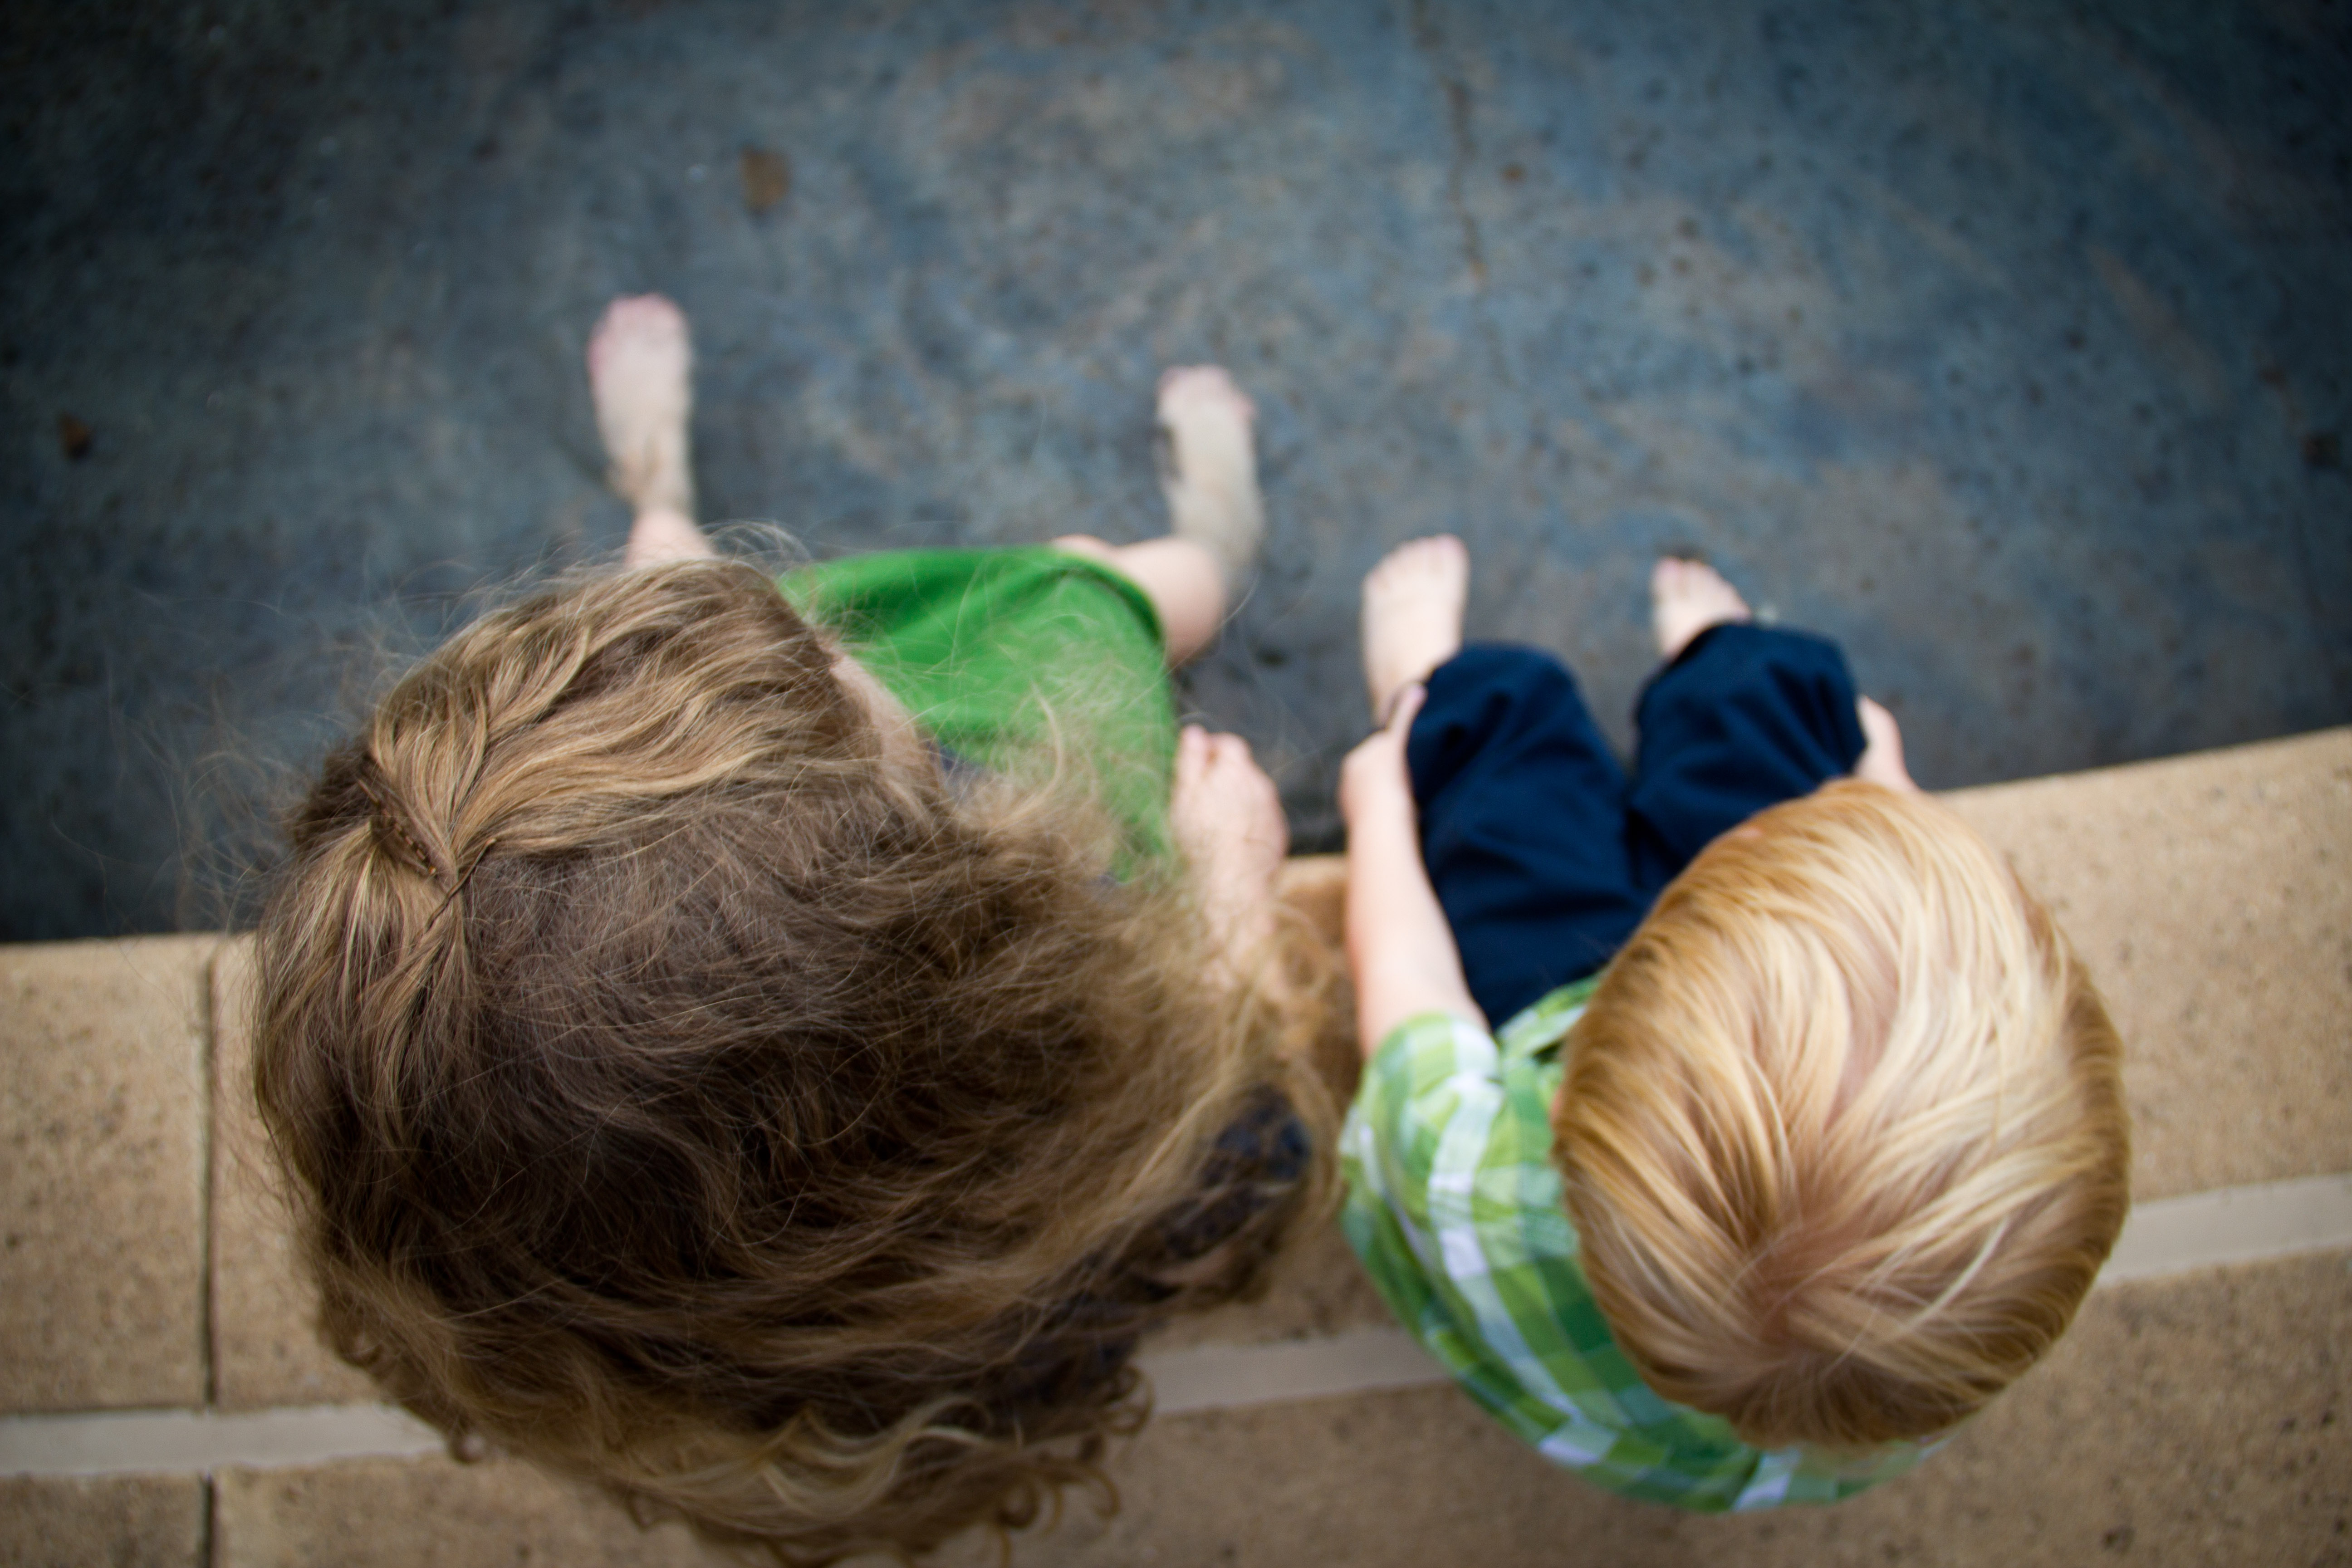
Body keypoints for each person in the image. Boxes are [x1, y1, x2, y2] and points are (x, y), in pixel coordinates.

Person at [251, 294, 1334, 1562]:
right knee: (1107, 597)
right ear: (970, 998)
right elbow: (1250, 1154)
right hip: (885, 873)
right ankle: (1208, 552)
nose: (832, 633)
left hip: (777, 836)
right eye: (918, 758)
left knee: (683, 587)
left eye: (808, 645)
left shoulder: (576, 1321)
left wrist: (723, 647)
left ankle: (659, 516)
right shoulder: (1115, 1150)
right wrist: (1229, 894)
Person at [1337, 535, 2129, 1509]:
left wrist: (1381, 807)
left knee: (1500, 739)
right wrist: (1882, 788)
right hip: (1676, 1031)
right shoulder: (1942, 1355)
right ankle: (1719, 651)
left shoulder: (1479, 1187)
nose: (1754, 833)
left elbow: (1409, 983)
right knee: (1778, 707)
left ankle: (1420, 690)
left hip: (1546, 988)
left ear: (1578, 1110)